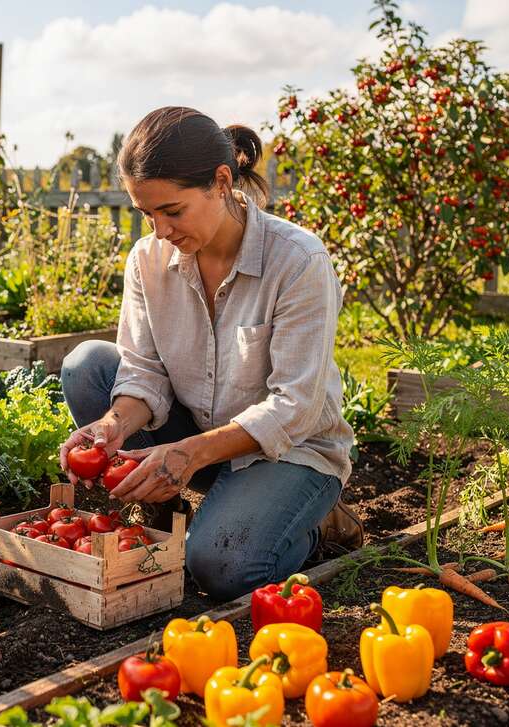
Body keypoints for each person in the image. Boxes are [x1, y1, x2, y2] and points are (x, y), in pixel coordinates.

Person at [56, 106, 362, 601]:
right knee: (88, 366)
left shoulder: (298, 260)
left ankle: (317, 521)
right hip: (199, 437)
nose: (160, 230)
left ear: (221, 182)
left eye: (172, 211)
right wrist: (111, 427)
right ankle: (170, 508)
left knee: (221, 569)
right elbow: (142, 371)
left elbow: (295, 408)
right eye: (146, 213)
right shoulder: (148, 260)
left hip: (289, 451)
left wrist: (186, 454)